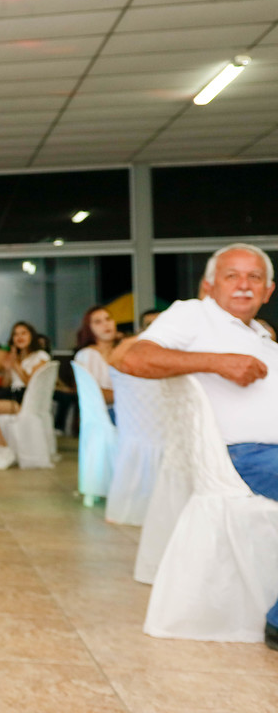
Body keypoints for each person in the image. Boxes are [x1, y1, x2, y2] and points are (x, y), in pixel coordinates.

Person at [117, 243, 278, 651]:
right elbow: (132, 358)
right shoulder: (194, 314)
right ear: (209, 285)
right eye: (232, 275)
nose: (244, 285)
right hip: (242, 457)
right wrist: (218, 362)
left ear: (268, 291)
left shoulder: (262, 336)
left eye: (254, 277)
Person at [0, 321, 51, 470]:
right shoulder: (15, 357)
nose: (19, 337)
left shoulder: (40, 356)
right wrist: (8, 369)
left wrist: (15, 364)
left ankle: (3, 448)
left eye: (23, 333)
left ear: (31, 336)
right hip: (12, 395)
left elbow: (31, 382)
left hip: (26, 399)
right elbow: (5, 385)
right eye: (16, 334)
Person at [73, 305, 120, 406]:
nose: (106, 324)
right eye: (98, 322)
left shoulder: (122, 351)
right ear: (89, 328)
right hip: (103, 411)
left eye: (108, 319)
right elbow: (89, 392)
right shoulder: (86, 355)